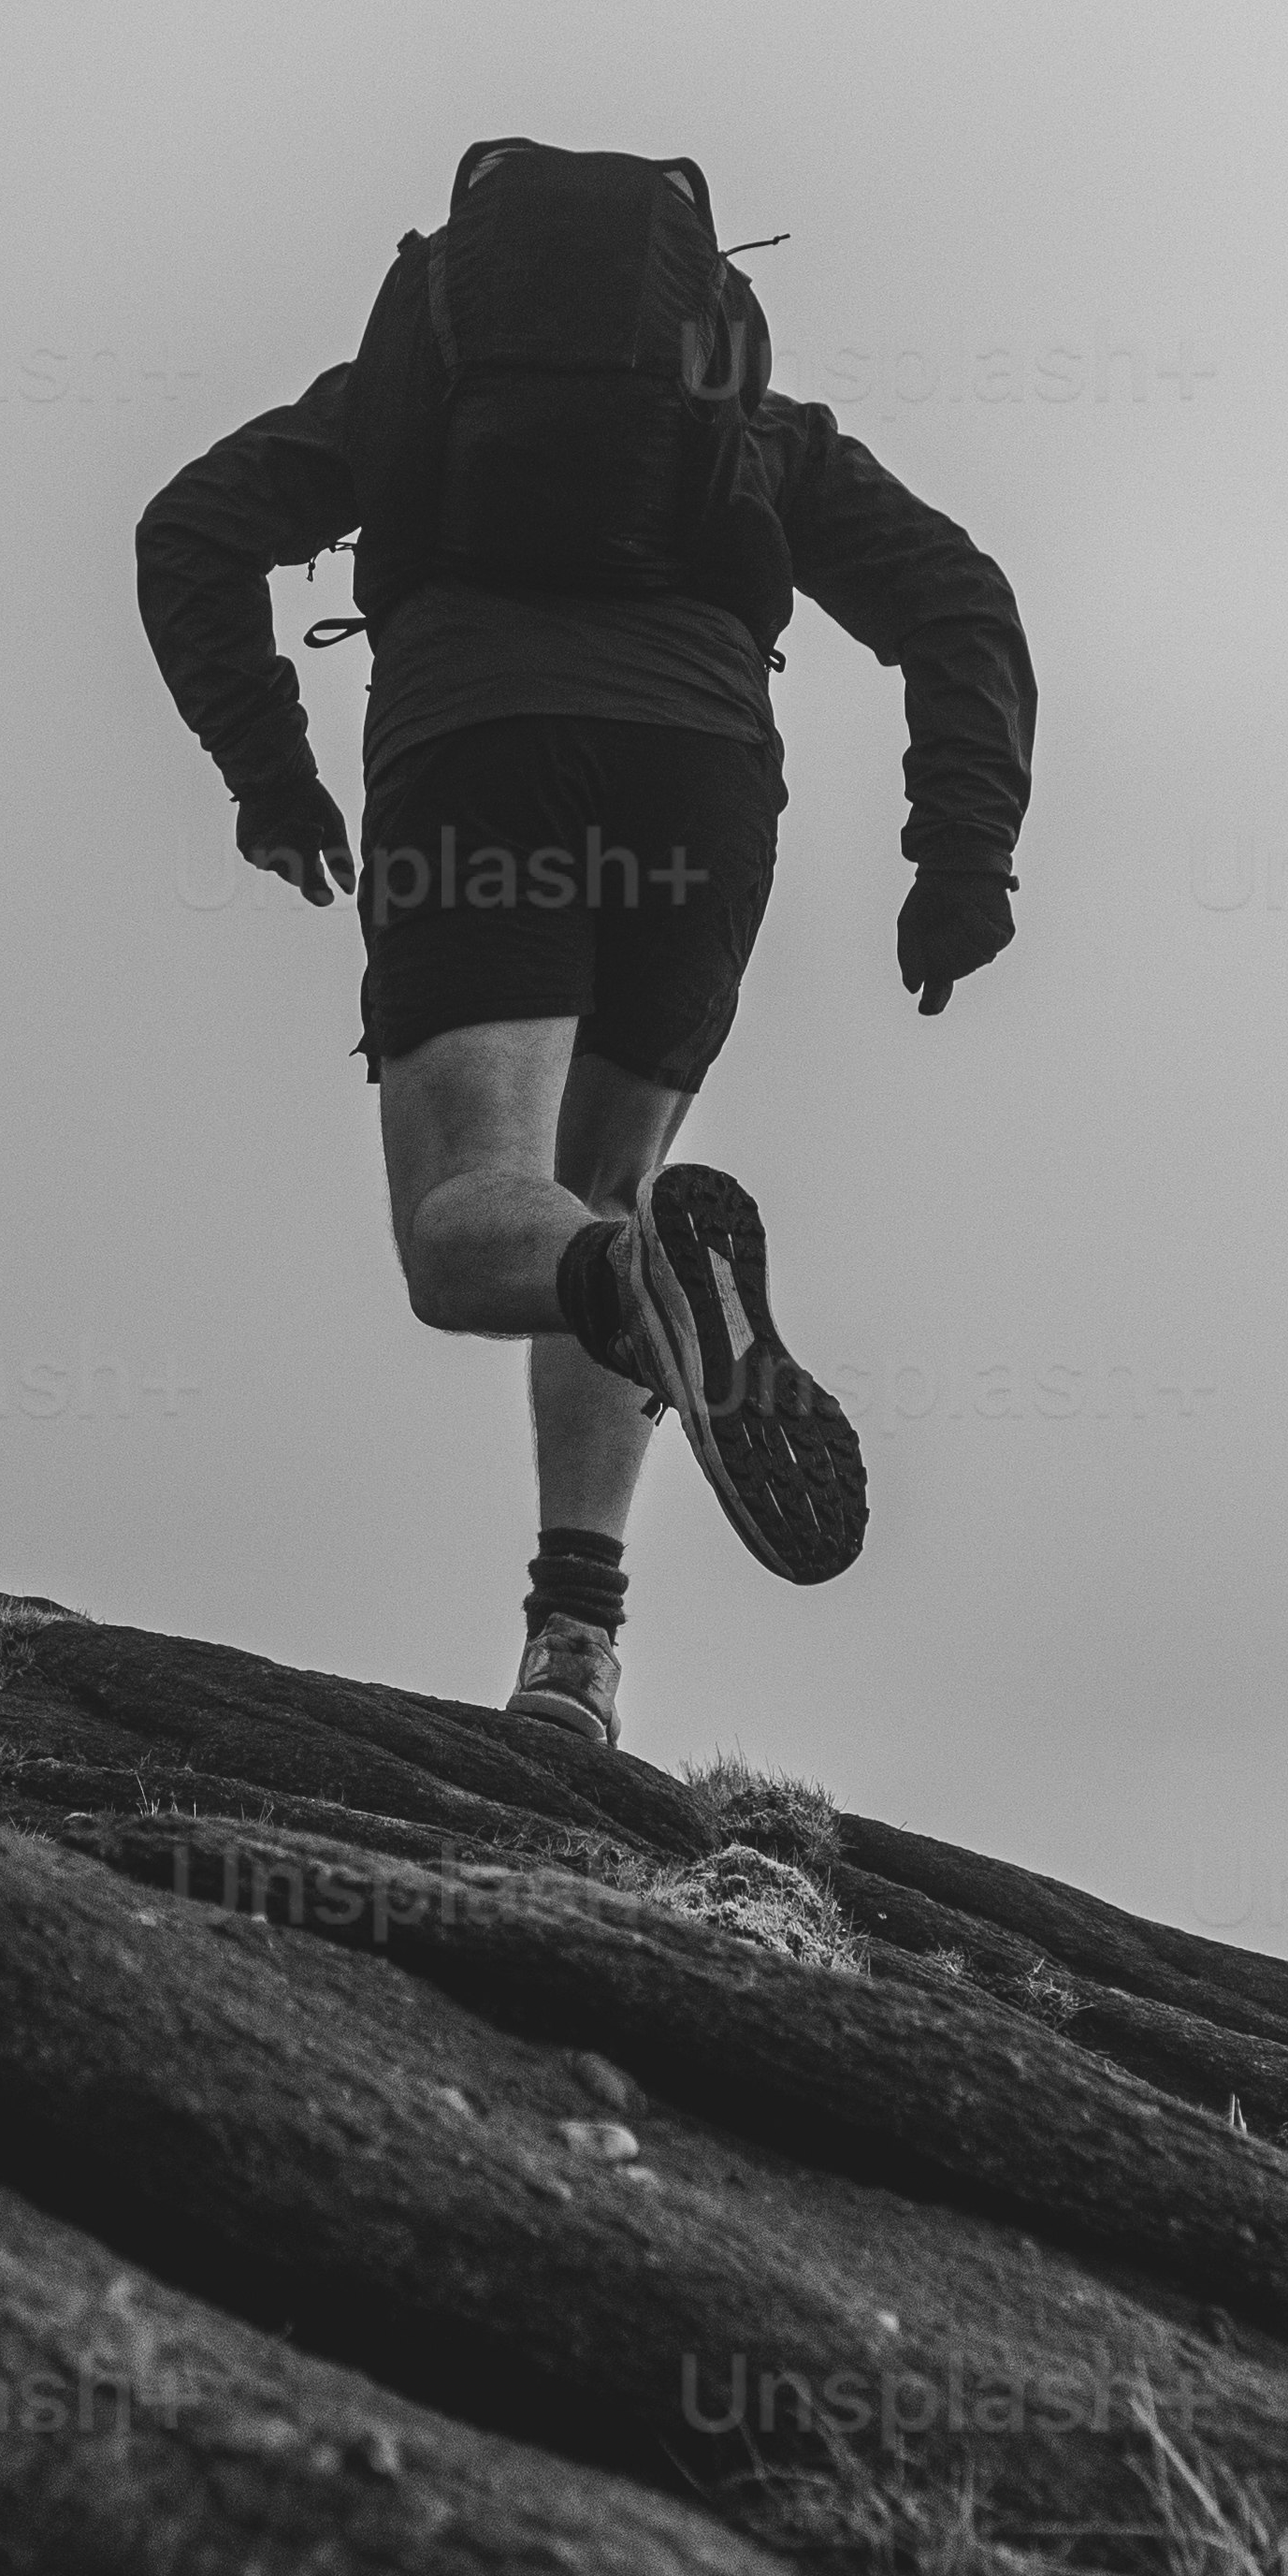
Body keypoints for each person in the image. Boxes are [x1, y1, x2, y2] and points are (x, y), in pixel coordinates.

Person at [136, 140, 1035, 1752]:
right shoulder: (758, 443)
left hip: (478, 753)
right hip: (699, 789)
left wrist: (270, 779)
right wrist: (960, 859)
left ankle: (631, 1285)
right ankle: (577, 1641)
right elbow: (959, 604)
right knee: (596, 1189)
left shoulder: (396, 416)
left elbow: (189, 530)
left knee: (474, 1226)